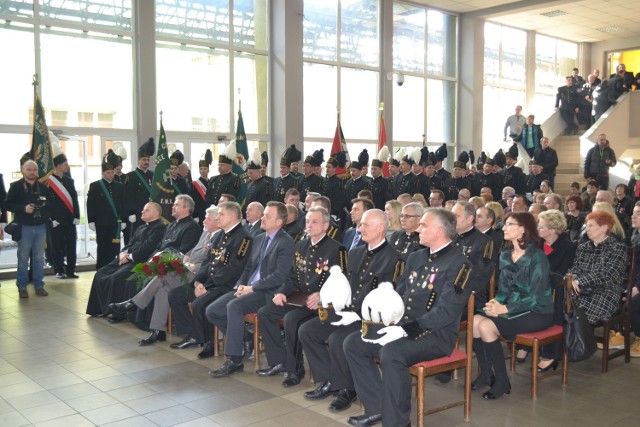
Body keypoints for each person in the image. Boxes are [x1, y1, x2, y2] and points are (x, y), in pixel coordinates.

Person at [343, 208, 472, 427]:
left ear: (439, 231)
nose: (418, 228)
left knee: (392, 354)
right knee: (354, 343)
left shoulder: (460, 264)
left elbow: (447, 311)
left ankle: (398, 422)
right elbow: (400, 295)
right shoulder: (416, 256)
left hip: (435, 335)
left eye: (423, 225)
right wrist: (385, 319)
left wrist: (405, 329)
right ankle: (376, 409)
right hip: (402, 326)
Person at [300, 209, 405, 413]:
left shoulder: (395, 259)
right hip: (347, 311)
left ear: (381, 228)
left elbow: (387, 299)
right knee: (308, 331)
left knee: (339, 339)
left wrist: (355, 315)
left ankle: (346, 389)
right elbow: (345, 284)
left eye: (365, 224)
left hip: (370, 318)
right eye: (360, 224)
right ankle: (330, 379)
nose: (360, 228)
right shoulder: (354, 253)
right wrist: (333, 304)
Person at [256, 206, 348, 385]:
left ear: (326, 225)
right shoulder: (301, 246)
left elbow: (343, 281)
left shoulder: (337, 249)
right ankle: (278, 361)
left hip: (322, 302)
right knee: (266, 312)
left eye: (315, 222)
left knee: (292, 319)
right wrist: (282, 292)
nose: (310, 225)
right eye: (307, 221)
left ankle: (294, 370)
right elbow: (292, 277)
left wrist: (322, 294)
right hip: (300, 298)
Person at [207, 202, 295, 377]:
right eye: (264, 214)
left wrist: (252, 288)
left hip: (268, 292)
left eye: (267, 216)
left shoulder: (286, 242)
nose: (263, 218)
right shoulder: (259, 238)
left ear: (279, 222)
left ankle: (234, 360)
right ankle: (244, 340)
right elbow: (248, 267)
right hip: (249, 288)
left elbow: (280, 276)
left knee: (234, 306)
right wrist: (241, 285)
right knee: (213, 310)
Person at [472, 212, 553, 400]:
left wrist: (506, 309)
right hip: (514, 308)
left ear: (523, 229)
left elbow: (536, 296)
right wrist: (496, 302)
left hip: (537, 311)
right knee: (476, 320)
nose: (504, 228)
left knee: (486, 326)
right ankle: (486, 373)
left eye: (509, 224)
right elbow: (504, 289)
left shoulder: (537, 257)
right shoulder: (506, 255)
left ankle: (502, 380)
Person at [107, 195, 202, 344]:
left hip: (175, 268)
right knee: (149, 283)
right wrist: (151, 260)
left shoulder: (192, 227)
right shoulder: (171, 225)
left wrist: (158, 261)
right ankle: (157, 331)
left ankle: (133, 304)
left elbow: (183, 253)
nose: (172, 207)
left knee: (157, 280)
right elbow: (159, 247)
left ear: (187, 209)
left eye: (176, 205)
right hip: (159, 264)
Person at [168, 202, 253, 356]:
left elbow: (234, 268)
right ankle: (193, 334)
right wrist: (199, 281)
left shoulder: (244, 237)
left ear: (232, 216)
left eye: (221, 214)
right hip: (211, 283)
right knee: (175, 295)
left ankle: (209, 344)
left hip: (227, 285)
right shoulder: (220, 234)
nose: (218, 218)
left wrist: (207, 285)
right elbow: (208, 261)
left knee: (200, 304)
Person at [85, 202, 166, 318]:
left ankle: (116, 311)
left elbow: (148, 248)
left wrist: (129, 257)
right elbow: (130, 243)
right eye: (143, 209)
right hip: (127, 257)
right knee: (100, 273)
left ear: (155, 213)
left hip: (140, 260)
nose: (142, 212)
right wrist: (123, 253)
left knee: (115, 278)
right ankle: (99, 308)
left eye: (146, 210)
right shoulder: (142, 227)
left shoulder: (160, 228)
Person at [570, 211, 628, 326]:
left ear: (604, 228)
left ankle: (581, 343)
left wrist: (580, 281)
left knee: (578, 317)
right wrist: (572, 278)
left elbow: (608, 275)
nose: (587, 229)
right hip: (581, 292)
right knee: (562, 311)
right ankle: (575, 343)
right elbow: (576, 268)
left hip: (605, 293)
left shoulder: (618, 248)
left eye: (591, 225)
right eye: (586, 225)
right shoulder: (583, 248)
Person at [536, 210, 577, 371]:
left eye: (541, 226)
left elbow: (562, 273)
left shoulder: (568, 247)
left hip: (556, 289)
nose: (537, 228)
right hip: (538, 287)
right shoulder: (537, 244)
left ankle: (551, 353)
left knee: (555, 295)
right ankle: (526, 346)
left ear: (552, 230)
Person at [5, 160, 53, 298]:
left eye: (34, 170)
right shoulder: (15, 187)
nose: (32, 172)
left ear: (37, 172)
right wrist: (23, 208)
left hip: (40, 227)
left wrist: (43, 205)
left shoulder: (43, 187)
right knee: (23, 258)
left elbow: (51, 205)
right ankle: (22, 287)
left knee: (39, 258)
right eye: (29, 169)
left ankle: (39, 286)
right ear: (23, 170)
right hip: (24, 227)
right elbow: (7, 204)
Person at [87, 150, 127, 270]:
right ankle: (101, 269)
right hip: (101, 222)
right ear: (103, 173)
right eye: (108, 173)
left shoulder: (120, 186)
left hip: (116, 223)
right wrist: (91, 220)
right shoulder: (95, 186)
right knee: (102, 247)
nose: (111, 175)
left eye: (112, 172)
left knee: (115, 247)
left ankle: (113, 268)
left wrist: (124, 219)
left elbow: (123, 204)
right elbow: (91, 204)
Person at [48, 144, 80, 279]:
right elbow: (47, 203)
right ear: (58, 165)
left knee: (72, 244)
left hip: (69, 219)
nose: (67, 166)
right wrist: (51, 218)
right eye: (65, 164)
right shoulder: (48, 182)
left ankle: (71, 270)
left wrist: (77, 215)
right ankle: (59, 270)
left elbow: (74, 199)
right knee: (57, 246)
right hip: (56, 220)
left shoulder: (69, 180)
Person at [125, 138, 155, 237]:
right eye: (144, 159)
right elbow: (129, 196)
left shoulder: (153, 175)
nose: (146, 162)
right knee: (137, 237)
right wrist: (131, 212)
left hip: (151, 212)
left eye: (148, 160)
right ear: (138, 160)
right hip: (138, 212)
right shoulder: (131, 176)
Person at [206, 142, 241, 206]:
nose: (219, 167)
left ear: (229, 167)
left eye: (222, 165)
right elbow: (207, 195)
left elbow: (232, 197)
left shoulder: (234, 179)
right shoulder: (213, 179)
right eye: (219, 165)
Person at [191, 149, 212, 224]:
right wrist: (195, 215)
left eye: (205, 169)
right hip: (199, 215)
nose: (203, 171)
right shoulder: (194, 184)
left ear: (208, 170)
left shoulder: (211, 183)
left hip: (210, 213)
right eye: (201, 169)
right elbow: (193, 201)